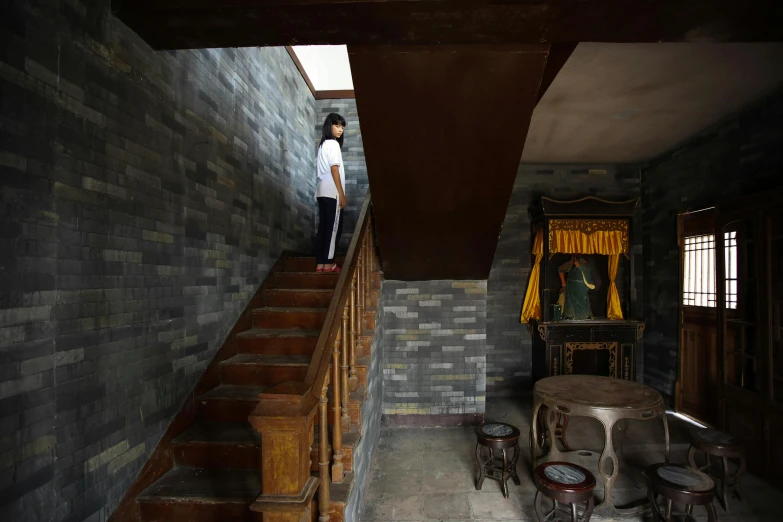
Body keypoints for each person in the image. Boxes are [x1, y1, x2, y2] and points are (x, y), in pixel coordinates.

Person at [315, 113, 347, 272]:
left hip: (321, 191)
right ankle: (328, 263)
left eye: (342, 126)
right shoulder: (333, 144)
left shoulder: (323, 145)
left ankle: (320, 263)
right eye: (337, 125)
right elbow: (334, 169)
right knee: (334, 228)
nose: (340, 129)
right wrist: (341, 194)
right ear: (329, 126)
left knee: (324, 227)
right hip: (332, 192)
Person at [557, 254, 595, 320]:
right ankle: (570, 316)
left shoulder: (586, 265)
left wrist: (579, 266)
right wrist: (563, 283)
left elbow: (587, 276)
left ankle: (585, 316)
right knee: (570, 304)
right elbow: (560, 269)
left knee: (583, 303)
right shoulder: (571, 264)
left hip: (582, 288)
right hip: (571, 288)